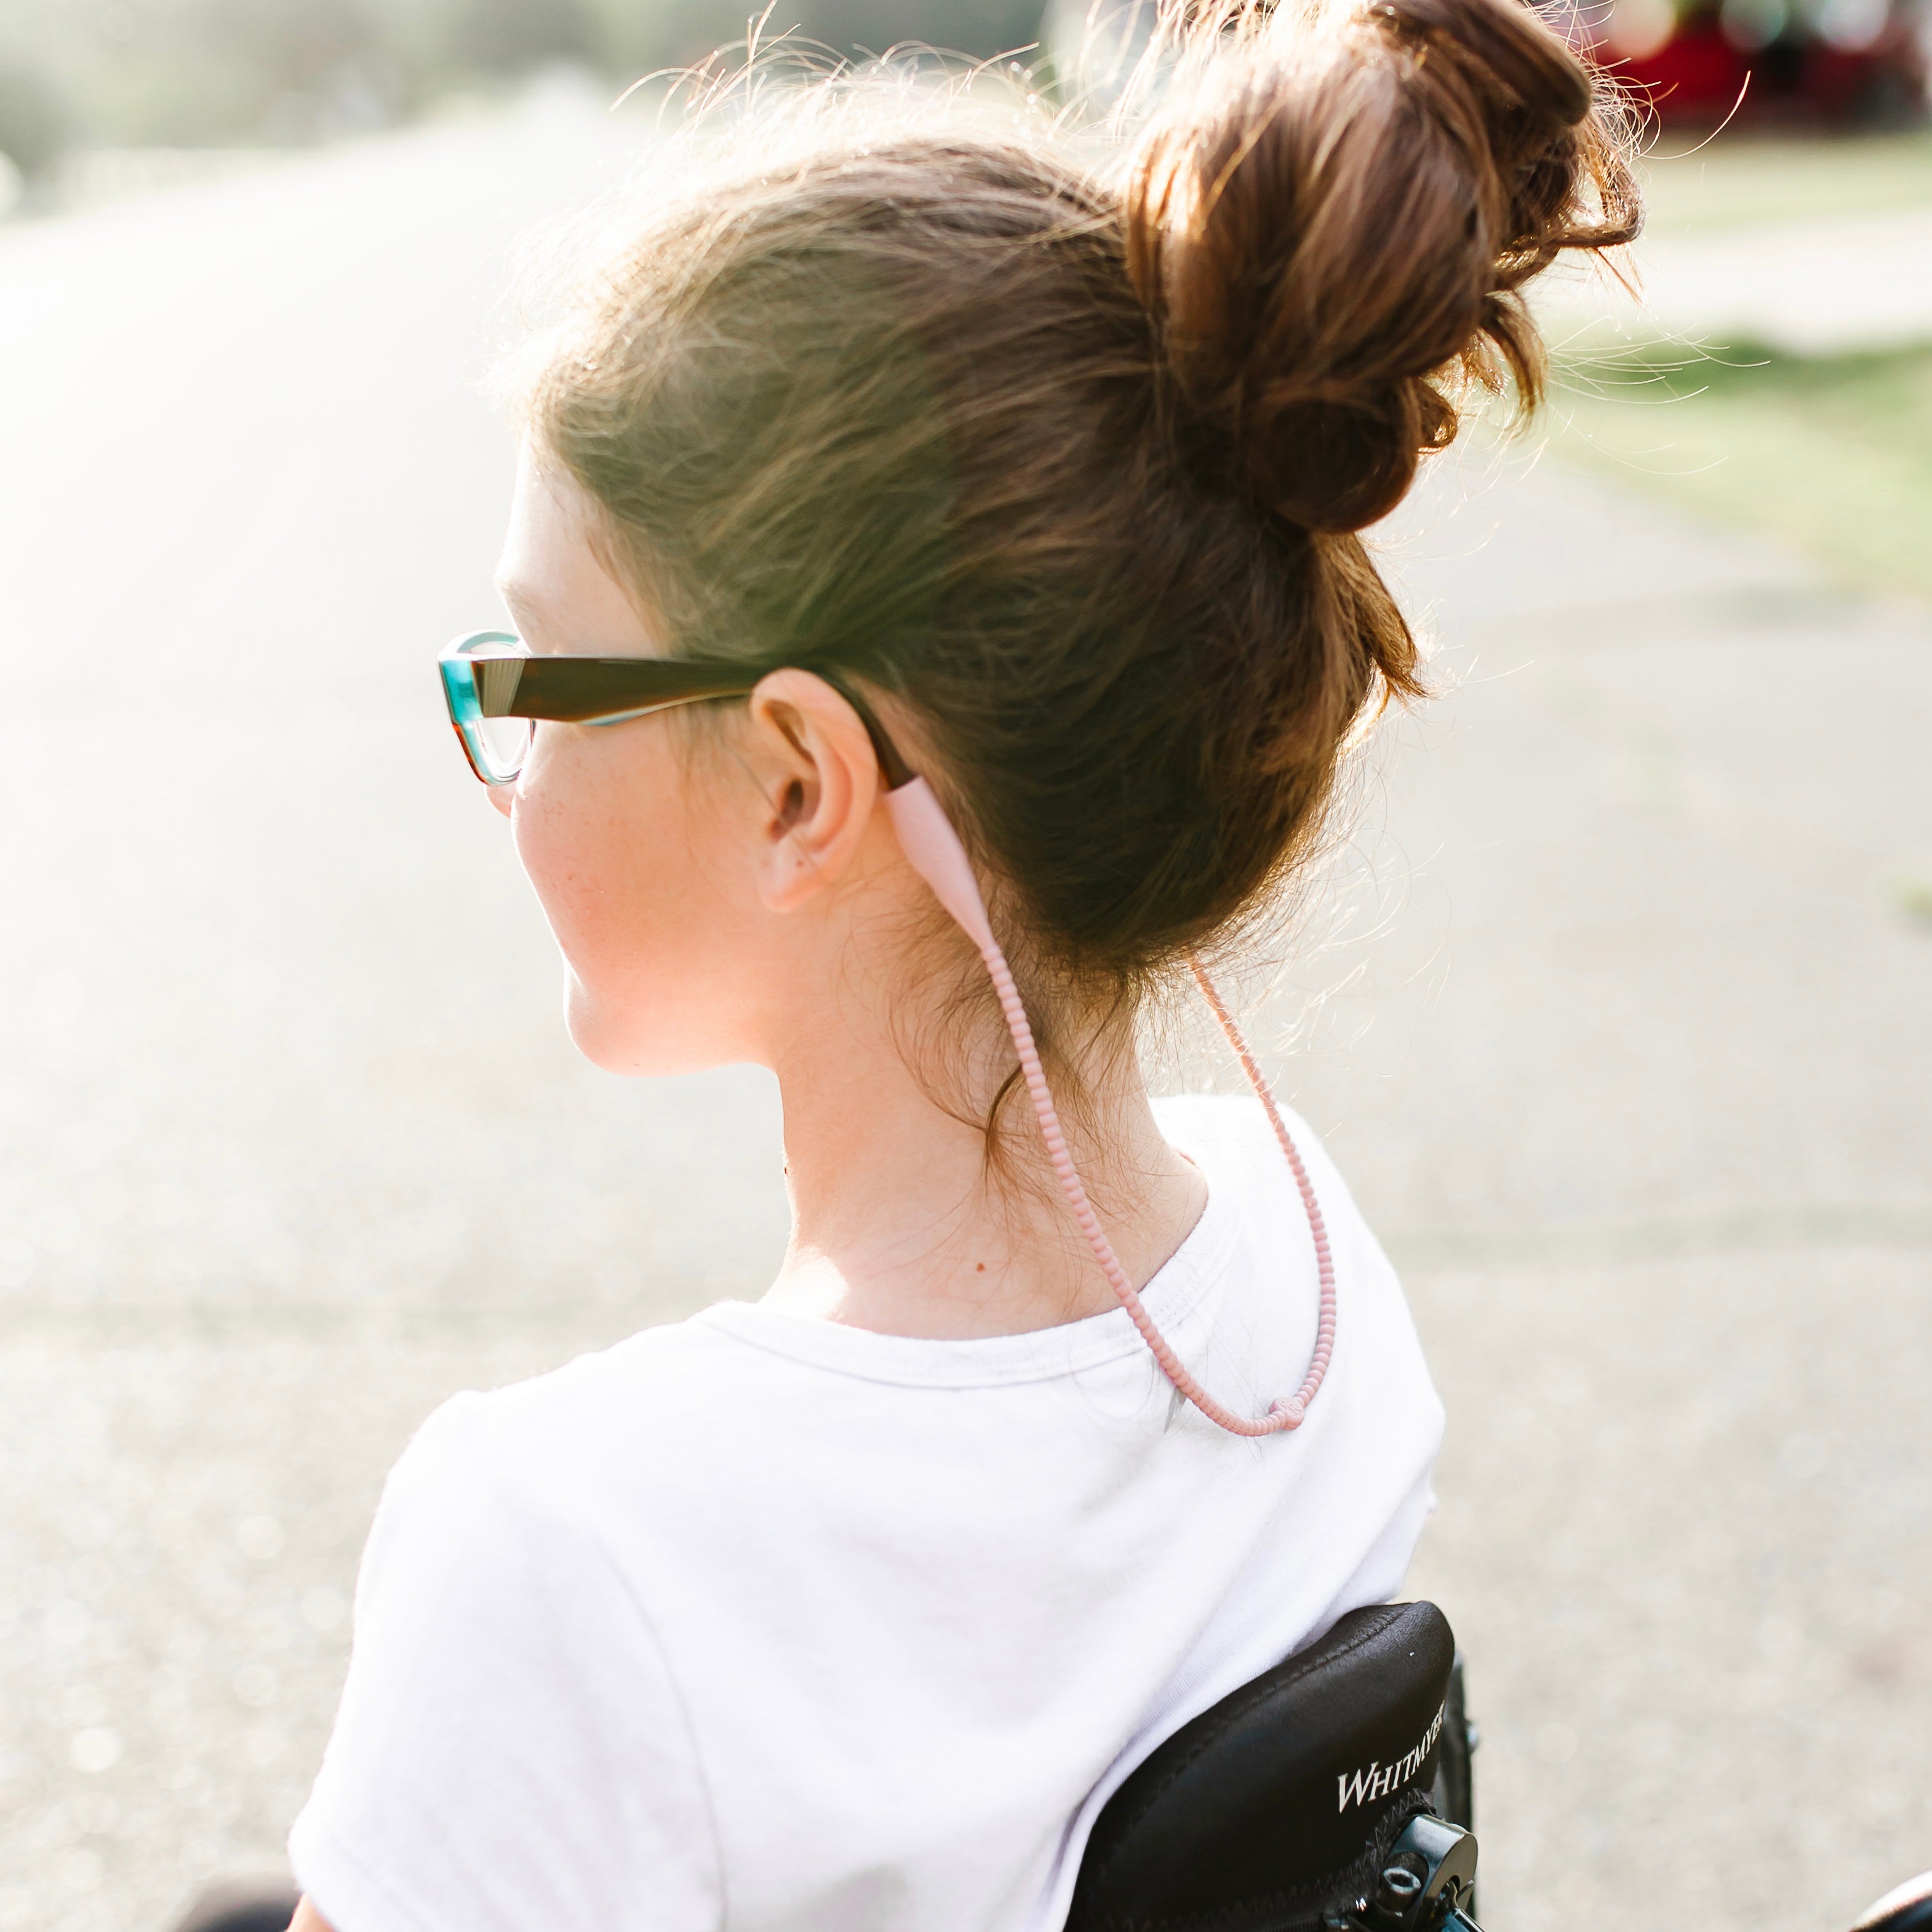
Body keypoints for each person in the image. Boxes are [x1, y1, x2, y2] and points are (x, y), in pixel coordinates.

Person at [268, 2, 1638, 1926]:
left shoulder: (573, 1551)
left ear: (797, 783)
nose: (501, 758)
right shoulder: (1303, 1259)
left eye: (533, 672)